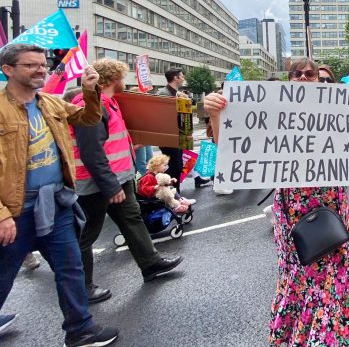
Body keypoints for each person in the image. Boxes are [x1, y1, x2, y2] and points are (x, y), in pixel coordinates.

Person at [204, 59, 349, 345]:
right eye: (297, 74)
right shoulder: (276, 112)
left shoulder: (338, 111)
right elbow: (231, 145)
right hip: (293, 212)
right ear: (290, 80)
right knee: (304, 276)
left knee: (335, 275)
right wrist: (216, 114)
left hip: (331, 208)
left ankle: (332, 335)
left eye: (311, 74)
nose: (304, 78)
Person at [0, 44, 119, 346]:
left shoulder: (50, 103)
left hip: (57, 204)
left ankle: (80, 330)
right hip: (16, 210)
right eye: (31, 65)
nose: (41, 70)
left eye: (42, 64)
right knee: (3, 276)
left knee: (71, 269)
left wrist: (90, 90)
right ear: (8, 70)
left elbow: (89, 119)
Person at [71, 58, 183, 303]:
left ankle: (151, 264)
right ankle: (81, 288)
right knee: (86, 234)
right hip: (97, 183)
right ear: (112, 79)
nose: (125, 81)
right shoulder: (91, 104)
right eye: (122, 77)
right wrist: (110, 185)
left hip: (117, 178)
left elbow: (112, 141)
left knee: (132, 219)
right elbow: (91, 151)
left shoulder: (109, 103)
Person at [158, 68, 211, 189]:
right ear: (176, 78)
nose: (183, 78)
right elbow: (165, 117)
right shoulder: (164, 94)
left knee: (179, 165)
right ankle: (169, 194)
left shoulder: (175, 93)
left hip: (179, 135)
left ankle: (175, 196)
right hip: (170, 137)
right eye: (181, 76)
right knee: (175, 166)